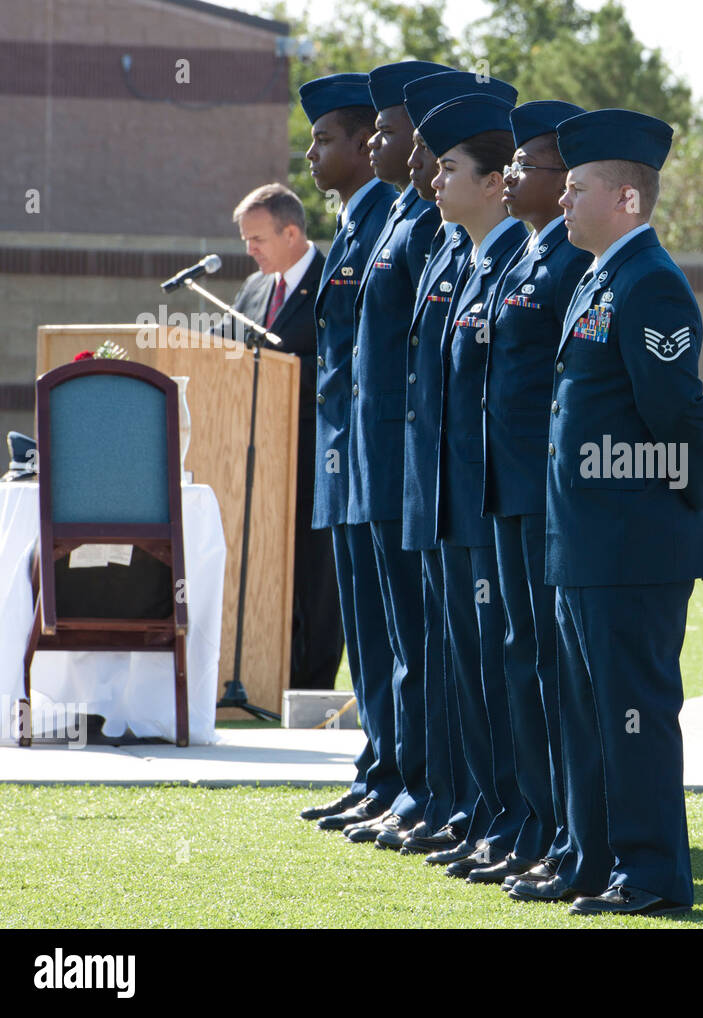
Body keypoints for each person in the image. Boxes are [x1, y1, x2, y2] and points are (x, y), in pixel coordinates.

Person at [508, 108, 703, 915]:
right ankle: (588, 857)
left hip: (632, 544)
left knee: (632, 716)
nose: (562, 202)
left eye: (577, 188)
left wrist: (693, 485)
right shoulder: (601, 274)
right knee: (584, 714)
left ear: (627, 200)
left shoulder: (651, 282)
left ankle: (652, 874)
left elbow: (676, 411)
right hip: (586, 539)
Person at [396, 71, 520, 858]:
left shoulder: (514, 261)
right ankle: (478, 809)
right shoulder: (465, 255)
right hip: (449, 496)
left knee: (500, 672)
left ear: (495, 184)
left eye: (447, 169)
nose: (431, 178)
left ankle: (512, 818)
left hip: (490, 501)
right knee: (459, 667)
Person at [338, 60, 451, 849]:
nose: (388, 145)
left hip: (408, 462)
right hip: (370, 456)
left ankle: (424, 783)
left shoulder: (424, 224)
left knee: (421, 640)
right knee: (381, 634)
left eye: (393, 130)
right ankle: (391, 771)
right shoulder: (392, 219)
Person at [478, 99, 589, 888]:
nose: (512, 175)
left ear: (566, 183)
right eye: (510, 162)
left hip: (546, 494)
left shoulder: (572, 262)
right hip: (507, 488)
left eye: (528, 164)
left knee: (548, 666)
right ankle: (534, 818)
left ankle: (560, 828)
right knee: (520, 660)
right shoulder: (526, 253)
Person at [293, 73, 401, 830]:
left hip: (379, 461)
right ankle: (379, 771)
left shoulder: (394, 220)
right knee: (365, 631)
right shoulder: (357, 227)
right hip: (346, 458)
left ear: (366, 145)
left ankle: (408, 781)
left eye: (325, 138)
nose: (311, 152)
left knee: (395, 634)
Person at [226, 184, 340, 694]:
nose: (250, 249)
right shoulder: (252, 290)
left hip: (316, 457)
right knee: (266, 570)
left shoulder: (335, 281)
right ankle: (261, 678)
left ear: (291, 232)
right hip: (256, 460)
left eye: (257, 238)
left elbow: (343, 368)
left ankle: (308, 689)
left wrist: (284, 376)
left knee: (316, 580)